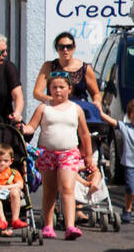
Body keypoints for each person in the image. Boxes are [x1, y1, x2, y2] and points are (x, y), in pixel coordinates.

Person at [21, 73, 93, 240]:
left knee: (67, 188)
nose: (58, 90)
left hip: (69, 152)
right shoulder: (43, 108)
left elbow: (84, 134)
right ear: (49, 89)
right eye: (54, 87)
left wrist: (88, 155)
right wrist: (21, 127)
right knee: (49, 191)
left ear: (69, 89)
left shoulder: (76, 109)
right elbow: (31, 127)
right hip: (47, 153)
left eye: (61, 87)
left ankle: (70, 226)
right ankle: (48, 226)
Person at [95, 97, 134, 225]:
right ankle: (128, 210)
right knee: (131, 188)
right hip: (130, 165)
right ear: (129, 117)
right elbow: (112, 121)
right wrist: (100, 113)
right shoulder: (126, 127)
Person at [34, 31, 101, 110]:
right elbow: (37, 93)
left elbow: (96, 93)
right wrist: (55, 100)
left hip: (80, 110)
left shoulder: (85, 68)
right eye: (61, 47)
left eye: (69, 46)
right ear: (57, 49)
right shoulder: (49, 66)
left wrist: (96, 102)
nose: (65, 50)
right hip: (55, 109)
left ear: (74, 47)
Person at [0, 143, 26, 235]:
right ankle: (2, 220)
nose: (2, 163)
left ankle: (15, 219)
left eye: (6, 161)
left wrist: (5, 187)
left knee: (14, 191)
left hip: (13, 194)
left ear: (11, 161)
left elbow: (20, 185)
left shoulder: (14, 172)